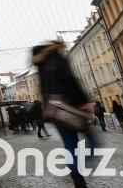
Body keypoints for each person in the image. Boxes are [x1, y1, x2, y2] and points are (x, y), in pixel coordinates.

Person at [33, 41, 93, 188]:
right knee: (93, 141)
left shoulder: (40, 65)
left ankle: (77, 179)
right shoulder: (57, 58)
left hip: (54, 110)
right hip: (70, 107)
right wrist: (85, 102)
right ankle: (80, 168)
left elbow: (42, 89)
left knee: (70, 145)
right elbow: (71, 82)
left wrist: (47, 105)